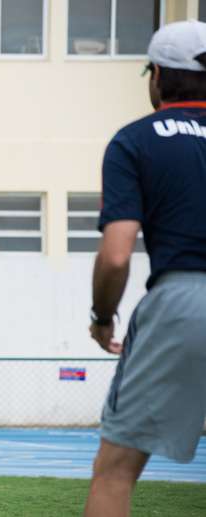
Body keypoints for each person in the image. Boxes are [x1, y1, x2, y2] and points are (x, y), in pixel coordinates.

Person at [85, 20, 206, 517]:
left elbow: (117, 254)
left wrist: (102, 315)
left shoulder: (136, 140)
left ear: (156, 75)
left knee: (115, 470)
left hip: (182, 303)